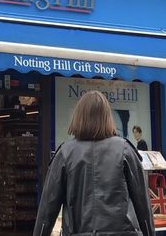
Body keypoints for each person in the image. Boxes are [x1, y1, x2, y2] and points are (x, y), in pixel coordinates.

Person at [33, 90, 155, 236]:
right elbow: (143, 206)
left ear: (78, 116)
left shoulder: (65, 153)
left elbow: (47, 209)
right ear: (107, 117)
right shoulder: (125, 150)